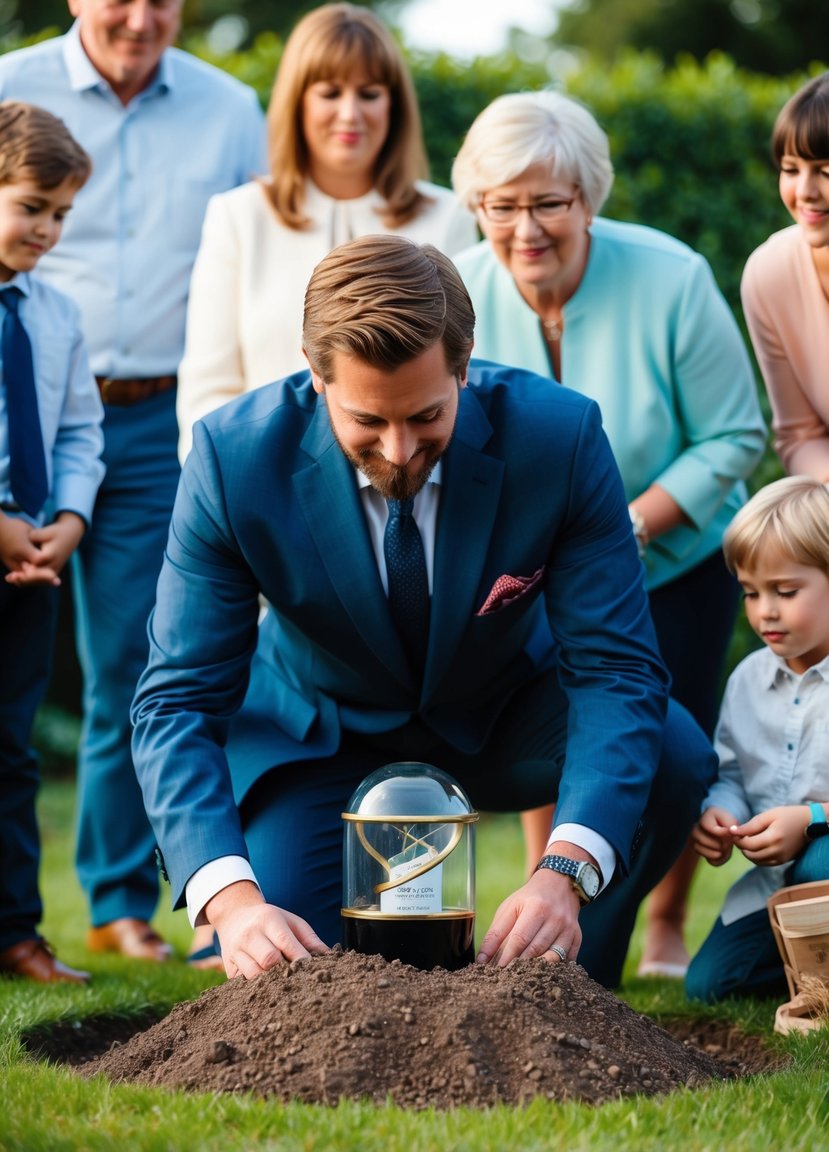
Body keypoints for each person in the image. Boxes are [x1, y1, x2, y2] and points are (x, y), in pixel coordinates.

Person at [131, 234, 716, 990]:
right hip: (321, 736)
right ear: (315, 377)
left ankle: (571, 981)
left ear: (464, 367)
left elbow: (614, 668)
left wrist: (563, 874)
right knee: (298, 976)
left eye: (426, 415)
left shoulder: (559, 437)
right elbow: (177, 697)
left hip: (505, 717)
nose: (401, 451)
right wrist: (233, 902)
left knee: (672, 752)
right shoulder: (231, 459)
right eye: (367, 422)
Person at [450, 90, 766, 978]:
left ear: (588, 197)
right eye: (500, 206)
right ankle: (544, 906)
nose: (525, 229)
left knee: (676, 740)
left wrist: (628, 523)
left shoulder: (670, 277)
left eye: (548, 203)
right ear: (475, 205)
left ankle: (663, 920)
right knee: (551, 733)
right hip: (526, 573)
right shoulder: (457, 289)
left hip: (670, 560)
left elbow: (733, 437)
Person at [0, 0, 266, 962]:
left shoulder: (228, 106)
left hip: (155, 419)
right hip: (20, 406)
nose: (143, 19)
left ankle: (117, 903)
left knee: (137, 659)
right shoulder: (10, 87)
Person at [176, 1, 476, 460]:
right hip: (263, 483)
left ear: (394, 104)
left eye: (370, 93)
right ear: (298, 100)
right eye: (330, 92)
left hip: (407, 471)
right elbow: (208, 388)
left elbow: (466, 374)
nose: (350, 113)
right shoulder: (238, 216)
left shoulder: (448, 216)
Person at [0, 101, 103, 984]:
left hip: (30, 568)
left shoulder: (57, 314)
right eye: (33, 205)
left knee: (12, 748)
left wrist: (66, 523)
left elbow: (77, 431)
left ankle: (14, 932)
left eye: (62, 213)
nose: (48, 228)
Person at [685, 476, 829, 1002]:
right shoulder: (748, 678)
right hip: (778, 887)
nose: (765, 609)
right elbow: (730, 772)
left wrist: (811, 820)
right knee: (712, 987)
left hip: (820, 862)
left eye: (786, 592)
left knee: (820, 859)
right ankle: (810, 970)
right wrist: (718, 811)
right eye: (751, 592)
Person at [742, 72, 829, 480]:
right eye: (791, 169)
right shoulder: (769, 273)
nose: (806, 191)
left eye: (826, 170)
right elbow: (800, 436)